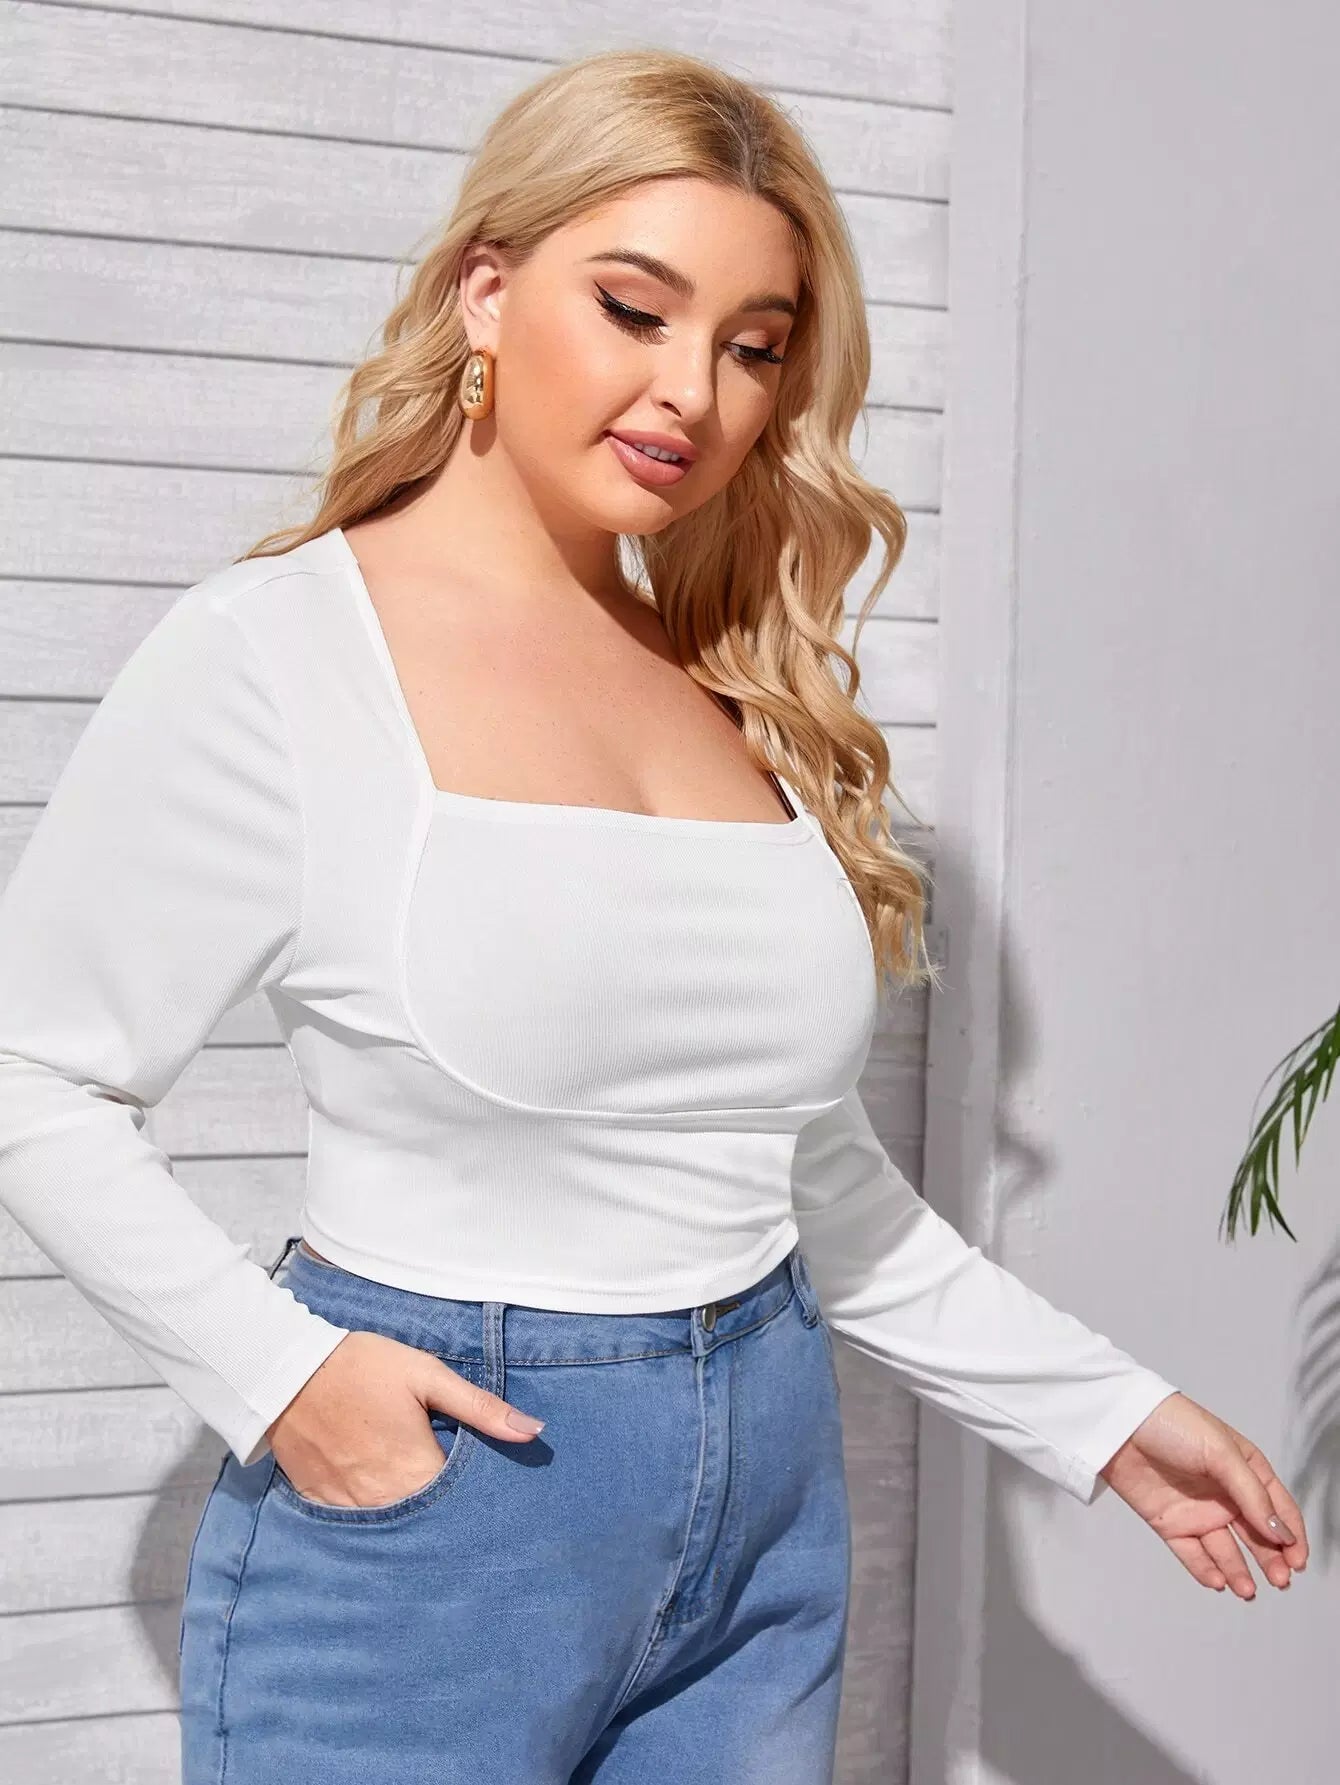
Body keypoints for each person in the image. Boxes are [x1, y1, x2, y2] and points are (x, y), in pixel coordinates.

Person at [0, 45, 1306, 1785]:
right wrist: (285, 1378)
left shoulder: (727, 682)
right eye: (634, 309)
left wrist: (1107, 1415)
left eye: (755, 346)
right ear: (486, 289)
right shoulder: (278, 656)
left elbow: (803, 1177)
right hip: (442, 1522)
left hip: (765, 1501)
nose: (692, 389)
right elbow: (34, 1073)